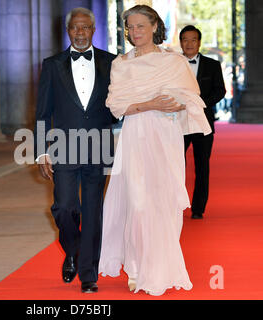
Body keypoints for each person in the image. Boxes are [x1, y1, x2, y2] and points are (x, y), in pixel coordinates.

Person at [98, 5, 212, 296]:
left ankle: (159, 267)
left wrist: (169, 102)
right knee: (137, 204)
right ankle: (135, 268)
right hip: (135, 135)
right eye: (131, 27)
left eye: (141, 26)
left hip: (165, 137)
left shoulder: (173, 62)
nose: (135, 32)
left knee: (162, 203)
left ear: (154, 27)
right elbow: (116, 105)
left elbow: (189, 99)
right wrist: (151, 103)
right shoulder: (121, 64)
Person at [34, 7, 116, 293]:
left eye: (85, 28)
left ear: (93, 30)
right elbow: (43, 112)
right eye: (74, 28)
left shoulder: (112, 63)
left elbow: (118, 106)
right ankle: (73, 249)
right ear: (67, 31)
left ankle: (88, 275)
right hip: (63, 147)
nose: (80, 33)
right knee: (65, 206)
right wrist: (41, 150)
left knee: (93, 210)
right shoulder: (52, 65)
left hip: (99, 145)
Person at [179, 25, 226, 219]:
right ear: (181, 43)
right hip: (178, 122)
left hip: (203, 122)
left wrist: (200, 104)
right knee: (175, 166)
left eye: (193, 40)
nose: (189, 44)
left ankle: (198, 209)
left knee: (202, 167)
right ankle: (175, 205)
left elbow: (220, 90)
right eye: (185, 40)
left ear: (199, 42)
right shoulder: (173, 64)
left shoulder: (212, 65)